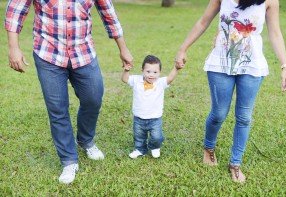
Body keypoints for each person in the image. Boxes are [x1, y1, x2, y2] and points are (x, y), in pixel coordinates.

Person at [5, 0, 133, 184]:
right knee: (57, 109)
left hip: (84, 52)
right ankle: (68, 160)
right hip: (48, 53)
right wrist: (13, 47)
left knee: (93, 98)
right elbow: (15, 9)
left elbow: (108, 12)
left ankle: (85, 140)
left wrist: (123, 48)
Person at [175, 0, 286, 183]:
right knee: (219, 113)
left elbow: (275, 33)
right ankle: (209, 148)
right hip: (220, 63)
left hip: (252, 65)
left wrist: (285, 66)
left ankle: (235, 164)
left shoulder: (270, 1)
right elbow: (203, 21)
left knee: (244, 117)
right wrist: (183, 48)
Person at [122, 55, 181, 159]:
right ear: (142, 70)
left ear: (159, 72)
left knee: (157, 137)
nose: (151, 75)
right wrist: (126, 70)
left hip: (155, 118)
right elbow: (124, 79)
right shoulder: (136, 80)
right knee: (139, 137)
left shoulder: (160, 82)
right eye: (148, 71)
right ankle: (140, 149)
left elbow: (170, 78)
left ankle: (155, 147)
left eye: (155, 72)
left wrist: (176, 68)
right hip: (138, 117)